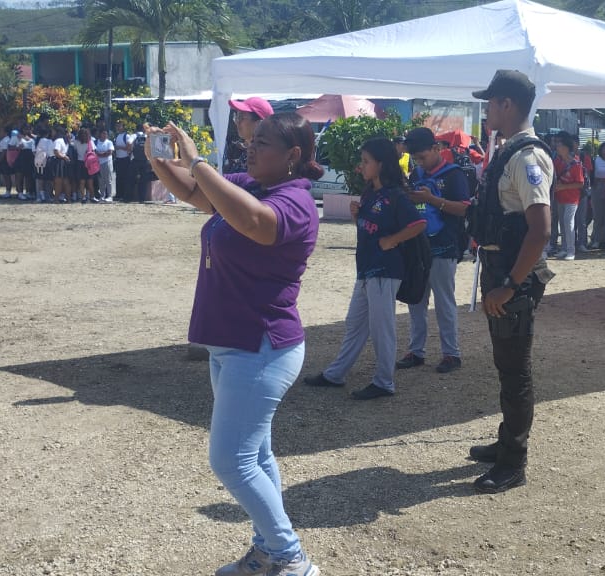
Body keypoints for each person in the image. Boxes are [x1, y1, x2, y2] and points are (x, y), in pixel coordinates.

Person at [143, 113, 322, 576]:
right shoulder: (253, 186)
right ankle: (268, 550)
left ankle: (289, 556)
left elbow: (255, 223)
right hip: (232, 343)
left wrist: (197, 160)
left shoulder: (295, 201)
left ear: (293, 155)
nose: (251, 148)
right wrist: (162, 160)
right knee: (256, 455)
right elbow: (194, 192)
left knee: (231, 459)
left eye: (262, 143)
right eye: (252, 141)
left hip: (261, 345)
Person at [467, 69, 555, 494]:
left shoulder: (526, 158)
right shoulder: (508, 152)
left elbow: (540, 230)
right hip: (500, 269)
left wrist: (511, 285)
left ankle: (513, 462)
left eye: (490, 102)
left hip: (512, 277)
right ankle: (506, 442)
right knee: (506, 365)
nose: (487, 111)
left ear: (507, 104)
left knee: (515, 371)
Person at [303, 138, 426, 400]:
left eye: (366, 161)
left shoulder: (395, 195)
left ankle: (384, 382)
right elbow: (370, 227)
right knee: (355, 323)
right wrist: (357, 216)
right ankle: (335, 374)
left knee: (382, 328)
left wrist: (392, 240)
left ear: (381, 164)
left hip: (385, 270)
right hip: (367, 268)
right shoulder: (371, 192)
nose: (362, 166)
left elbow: (418, 225)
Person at [398, 127, 470, 374]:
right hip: (419, 247)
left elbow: (464, 208)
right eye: (415, 158)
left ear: (436, 149)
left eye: (422, 157)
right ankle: (416, 351)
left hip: (445, 246)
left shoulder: (454, 174)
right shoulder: (417, 173)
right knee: (416, 300)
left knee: (444, 303)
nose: (419, 162)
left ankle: (451, 353)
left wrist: (431, 200)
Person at [548, 132, 583, 261]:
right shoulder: (557, 161)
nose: (557, 147)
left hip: (572, 199)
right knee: (562, 224)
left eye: (560, 145)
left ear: (566, 148)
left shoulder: (576, 164)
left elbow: (580, 184)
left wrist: (563, 187)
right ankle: (563, 249)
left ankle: (571, 251)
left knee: (568, 222)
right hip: (559, 198)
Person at [588, 142, 605, 250]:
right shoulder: (595, 160)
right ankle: (596, 240)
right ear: (601, 150)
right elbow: (591, 175)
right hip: (597, 188)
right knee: (597, 216)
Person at [113, 122, 137, 201]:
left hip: (125, 159)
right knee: (118, 177)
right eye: (117, 126)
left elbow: (129, 148)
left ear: (123, 127)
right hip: (118, 159)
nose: (118, 128)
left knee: (125, 178)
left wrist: (119, 147)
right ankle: (118, 194)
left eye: (120, 126)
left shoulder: (126, 136)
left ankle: (124, 195)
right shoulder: (117, 136)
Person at [16, 127, 36, 201]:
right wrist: (19, 145)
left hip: (30, 157)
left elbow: (34, 149)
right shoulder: (20, 138)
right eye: (26, 129)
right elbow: (17, 147)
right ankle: (20, 193)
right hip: (22, 156)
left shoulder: (33, 139)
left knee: (28, 177)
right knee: (20, 176)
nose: (27, 130)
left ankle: (28, 192)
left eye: (28, 129)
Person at [95, 129, 115, 202]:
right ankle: (102, 196)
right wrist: (102, 154)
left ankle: (110, 196)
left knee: (108, 180)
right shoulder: (96, 142)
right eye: (103, 133)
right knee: (101, 180)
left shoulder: (109, 142)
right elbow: (94, 152)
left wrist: (100, 154)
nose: (105, 135)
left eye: (106, 134)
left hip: (107, 162)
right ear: (100, 134)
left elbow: (109, 152)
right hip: (98, 163)